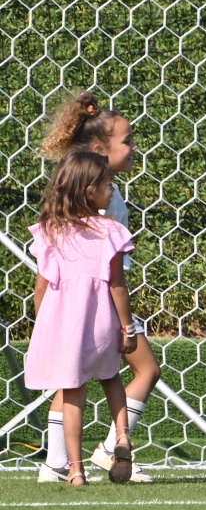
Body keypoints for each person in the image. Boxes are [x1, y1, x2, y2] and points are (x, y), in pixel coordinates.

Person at [35, 92, 159, 484]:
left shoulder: (104, 194)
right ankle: (108, 449)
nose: (135, 147)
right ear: (99, 150)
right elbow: (110, 273)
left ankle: (60, 463)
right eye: (128, 140)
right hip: (101, 304)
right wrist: (125, 322)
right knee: (143, 369)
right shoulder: (102, 203)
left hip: (82, 305)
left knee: (72, 378)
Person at [25, 151, 138, 486]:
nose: (113, 190)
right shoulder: (111, 232)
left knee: (72, 394)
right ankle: (121, 437)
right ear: (90, 191)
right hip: (101, 320)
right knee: (111, 377)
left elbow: (41, 288)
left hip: (63, 325)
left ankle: (75, 471)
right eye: (108, 184)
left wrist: (42, 326)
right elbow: (117, 285)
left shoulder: (50, 232)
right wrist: (127, 328)